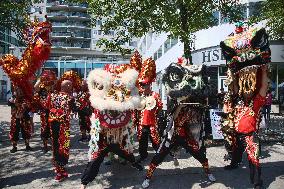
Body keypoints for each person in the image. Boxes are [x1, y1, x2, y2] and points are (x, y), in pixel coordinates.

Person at [80, 63, 143, 189]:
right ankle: (84, 183)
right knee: (94, 161)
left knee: (127, 153)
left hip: (118, 137)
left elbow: (131, 106)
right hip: (102, 137)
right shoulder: (99, 97)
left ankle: (135, 163)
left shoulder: (123, 94)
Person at [47, 79, 75, 181]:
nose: (71, 87)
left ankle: (57, 165)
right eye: (70, 85)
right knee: (63, 145)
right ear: (66, 86)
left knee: (55, 144)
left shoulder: (53, 96)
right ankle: (61, 170)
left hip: (53, 124)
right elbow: (76, 109)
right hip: (63, 126)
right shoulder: (69, 98)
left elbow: (47, 106)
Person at [8, 87, 33, 153]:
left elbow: (30, 108)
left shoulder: (25, 99)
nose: (19, 92)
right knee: (14, 132)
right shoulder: (13, 98)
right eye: (17, 91)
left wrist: (26, 106)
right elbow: (9, 103)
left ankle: (27, 145)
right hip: (15, 119)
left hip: (24, 119)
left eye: (20, 91)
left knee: (26, 132)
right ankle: (14, 147)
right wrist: (14, 98)